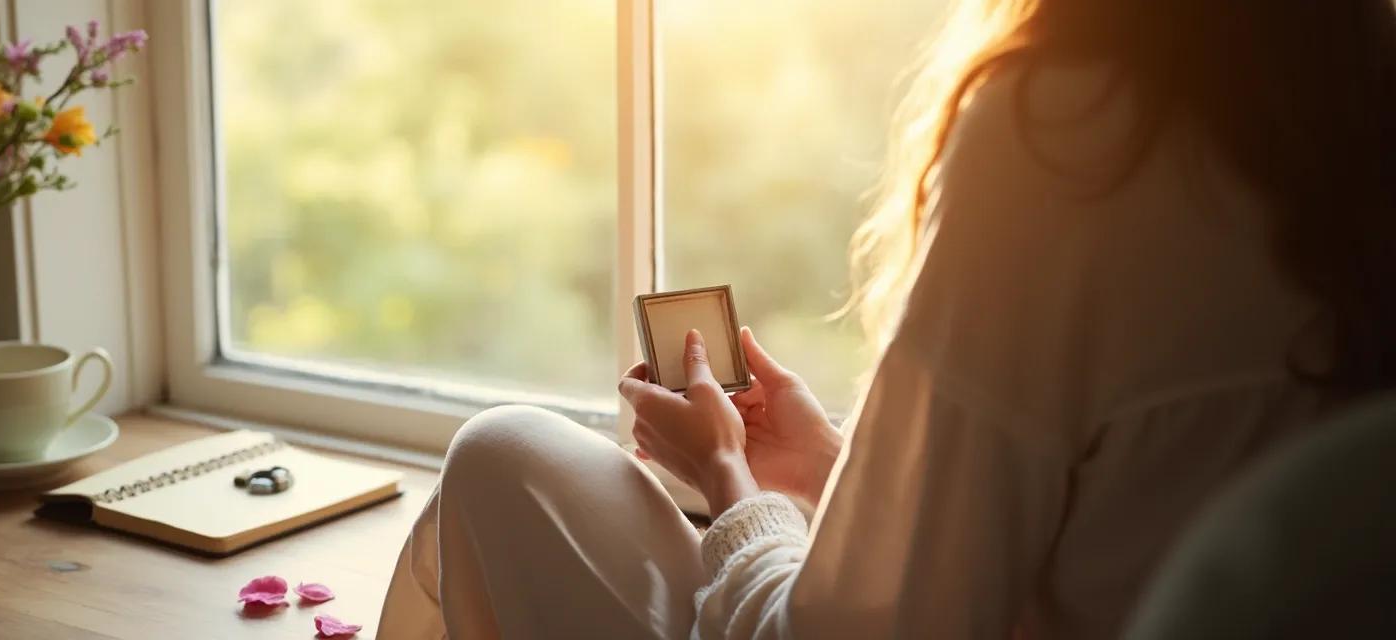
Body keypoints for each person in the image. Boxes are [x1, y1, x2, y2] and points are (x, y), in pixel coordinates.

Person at [377, 0, 1396, 637]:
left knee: (501, 461)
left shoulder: (1073, 140)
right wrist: (830, 472)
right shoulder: (1353, 116)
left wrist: (732, 480)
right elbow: (1109, 524)